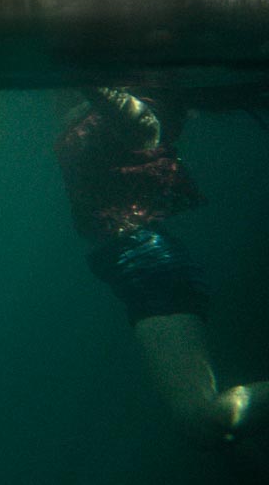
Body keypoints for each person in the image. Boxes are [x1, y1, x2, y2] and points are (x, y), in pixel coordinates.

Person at [56, 87, 268, 442]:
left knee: (204, 421)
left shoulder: (131, 106)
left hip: (147, 264)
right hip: (140, 265)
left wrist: (91, 82)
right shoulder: (89, 107)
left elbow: (145, 130)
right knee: (203, 426)